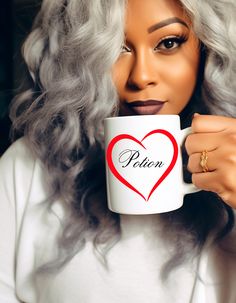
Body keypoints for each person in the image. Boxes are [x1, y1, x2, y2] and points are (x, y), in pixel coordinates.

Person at [1, 0, 236, 302]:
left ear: (208, 47)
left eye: (168, 43)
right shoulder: (27, 168)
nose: (141, 77)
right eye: (115, 48)